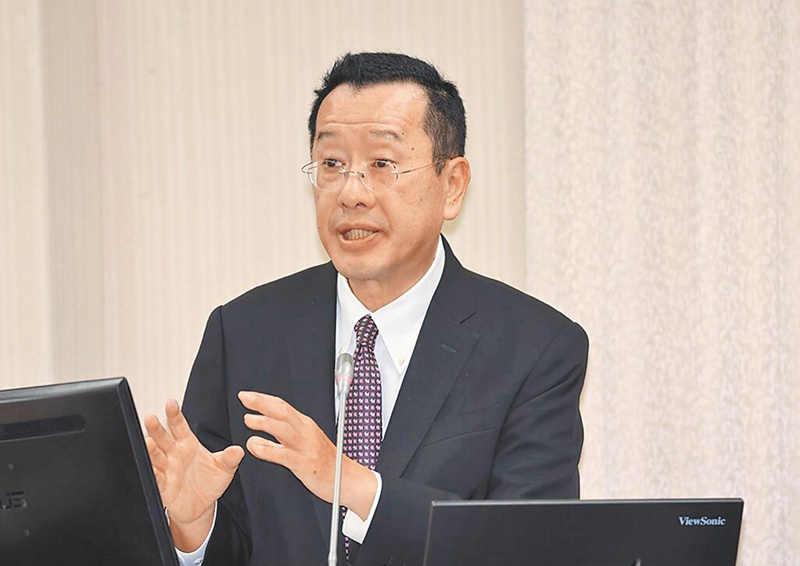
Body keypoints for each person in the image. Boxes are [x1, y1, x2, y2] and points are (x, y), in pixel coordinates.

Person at [144, 52, 589, 566]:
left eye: (382, 164)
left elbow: (528, 548)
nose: (351, 193)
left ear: (452, 185)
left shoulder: (535, 348)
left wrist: (353, 486)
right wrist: (194, 526)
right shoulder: (243, 331)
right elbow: (237, 546)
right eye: (332, 164)